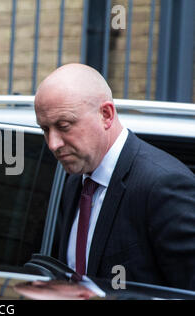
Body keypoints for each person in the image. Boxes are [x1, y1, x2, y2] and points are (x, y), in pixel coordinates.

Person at [34, 63, 195, 290]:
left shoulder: (163, 186)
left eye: (64, 125)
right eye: (45, 129)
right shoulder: (75, 182)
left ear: (106, 115)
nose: (53, 144)